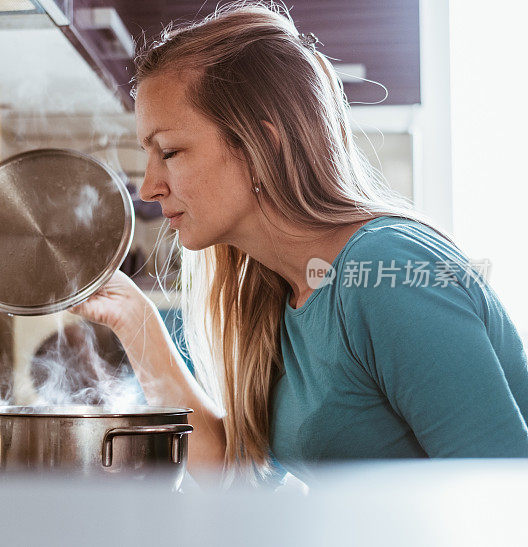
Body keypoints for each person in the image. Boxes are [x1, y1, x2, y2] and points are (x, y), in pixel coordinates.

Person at [70, 2, 528, 485]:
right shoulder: (282, 292)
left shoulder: (384, 271)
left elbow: (503, 496)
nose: (149, 187)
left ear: (263, 146)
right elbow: (231, 470)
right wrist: (135, 320)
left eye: (170, 152)